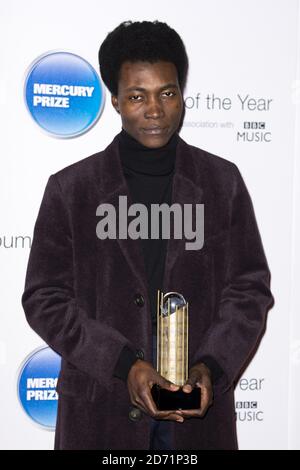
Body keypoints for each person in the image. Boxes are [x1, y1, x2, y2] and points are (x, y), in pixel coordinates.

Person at [22, 20, 274, 450]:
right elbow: (44, 298)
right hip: (101, 413)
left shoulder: (221, 182)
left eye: (168, 93)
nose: (154, 109)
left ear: (182, 94)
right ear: (116, 100)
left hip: (196, 419)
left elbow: (248, 290)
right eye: (138, 96)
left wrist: (211, 366)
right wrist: (125, 365)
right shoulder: (71, 190)